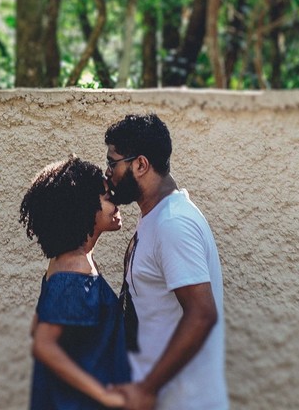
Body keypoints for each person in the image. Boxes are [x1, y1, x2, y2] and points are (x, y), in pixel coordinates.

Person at [104, 114, 227, 410]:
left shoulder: (173, 223)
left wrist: (147, 389)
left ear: (141, 164)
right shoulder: (156, 217)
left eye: (112, 163)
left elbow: (202, 313)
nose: (107, 172)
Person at [20, 156, 131, 409]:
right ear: (83, 208)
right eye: (107, 197)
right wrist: (105, 395)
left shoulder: (66, 262)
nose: (116, 202)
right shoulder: (75, 268)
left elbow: (37, 326)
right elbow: (44, 345)